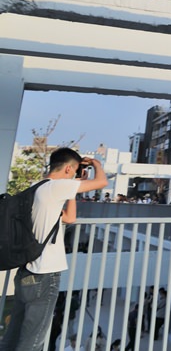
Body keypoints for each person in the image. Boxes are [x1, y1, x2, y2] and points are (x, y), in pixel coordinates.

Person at [0, 148, 107, 351]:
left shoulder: (37, 188)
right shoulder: (57, 187)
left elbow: (69, 218)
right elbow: (102, 182)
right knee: (33, 341)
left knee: (12, 336)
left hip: (26, 272)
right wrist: (97, 165)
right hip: (44, 275)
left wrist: (72, 192)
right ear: (68, 168)